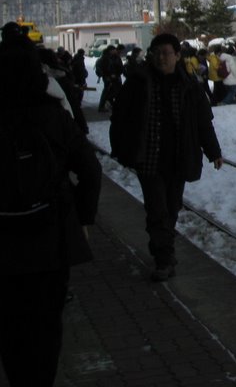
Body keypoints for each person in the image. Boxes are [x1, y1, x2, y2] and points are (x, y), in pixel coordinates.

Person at [0, 42, 101, 387]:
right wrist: (84, 218)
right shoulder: (54, 115)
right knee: (45, 323)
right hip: (50, 236)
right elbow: (89, 170)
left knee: (10, 325)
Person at [109, 33, 223, 281]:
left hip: (178, 157)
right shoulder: (139, 82)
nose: (162, 57)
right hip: (148, 159)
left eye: (167, 53)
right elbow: (120, 117)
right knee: (157, 209)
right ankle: (163, 258)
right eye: (157, 52)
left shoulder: (189, 85)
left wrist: (213, 151)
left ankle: (165, 248)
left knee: (171, 208)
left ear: (177, 55)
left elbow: (203, 122)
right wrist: (119, 147)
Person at [96, 44, 124, 112]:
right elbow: (107, 68)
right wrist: (110, 75)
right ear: (110, 51)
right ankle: (103, 105)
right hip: (108, 77)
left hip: (112, 77)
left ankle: (109, 103)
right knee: (108, 91)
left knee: (112, 91)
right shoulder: (106, 58)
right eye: (114, 50)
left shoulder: (111, 56)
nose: (115, 51)